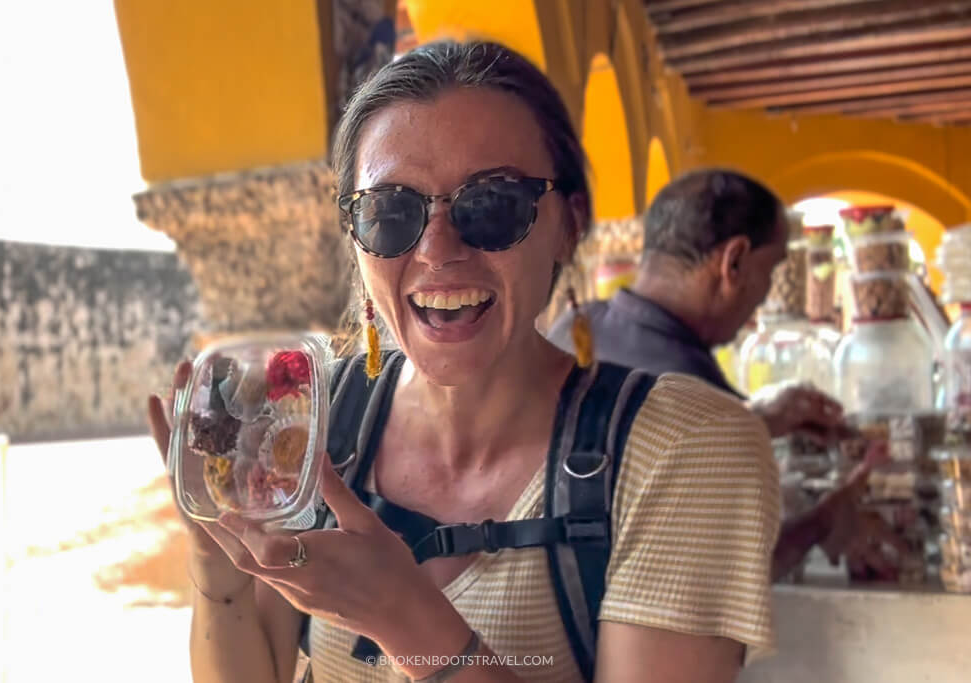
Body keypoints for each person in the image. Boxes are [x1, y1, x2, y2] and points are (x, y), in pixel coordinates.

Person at [148, 42, 780, 683]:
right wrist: (219, 572)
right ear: (358, 243)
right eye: (390, 212)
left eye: (492, 204)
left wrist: (405, 620)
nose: (437, 250)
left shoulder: (686, 446)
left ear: (570, 224)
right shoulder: (315, 423)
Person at [549, 169, 895, 581]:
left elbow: (636, 448)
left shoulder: (573, 330)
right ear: (734, 262)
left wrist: (756, 418)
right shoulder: (694, 392)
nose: (766, 293)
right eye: (770, 270)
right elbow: (729, 576)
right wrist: (826, 520)